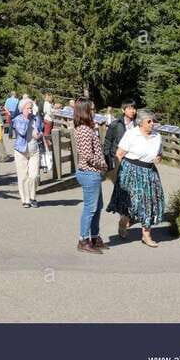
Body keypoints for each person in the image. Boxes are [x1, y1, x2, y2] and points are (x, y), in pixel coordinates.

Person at [106, 109, 165, 247]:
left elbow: (160, 154)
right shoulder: (132, 134)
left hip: (149, 172)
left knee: (149, 204)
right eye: (149, 121)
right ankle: (123, 222)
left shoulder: (157, 136)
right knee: (131, 203)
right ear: (140, 123)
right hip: (131, 171)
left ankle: (146, 235)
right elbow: (119, 154)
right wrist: (116, 174)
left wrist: (158, 158)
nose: (152, 124)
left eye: (153, 121)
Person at [73, 98, 109, 254]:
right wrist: (103, 164)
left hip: (92, 172)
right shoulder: (84, 130)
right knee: (90, 208)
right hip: (89, 172)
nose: (94, 112)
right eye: (92, 109)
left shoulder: (87, 128)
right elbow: (87, 155)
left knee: (98, 206)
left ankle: (94, 237)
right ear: (85, 111)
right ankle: (83, 240)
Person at [12, 98, 43, 208]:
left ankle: (32, 197)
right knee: (23, 176)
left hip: (34, 150)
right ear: (22, 109)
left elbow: (40, 130)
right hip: (21, 151)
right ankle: (25, 200)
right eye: (28, 108)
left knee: (34, 175)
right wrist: (26, 119)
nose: (30, 110)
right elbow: (22, 131)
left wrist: (39, 135)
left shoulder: (36, 118)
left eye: (31, 108)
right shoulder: (17, 119)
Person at [103, 99, 136, 172]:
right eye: (129, 108)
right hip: (118, 159)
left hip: (133, 161)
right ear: (123, 110)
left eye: (133, 108)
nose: (132, 111)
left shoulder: (137, 126)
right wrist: (109, 161)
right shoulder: (115, 124)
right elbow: (108, 142)